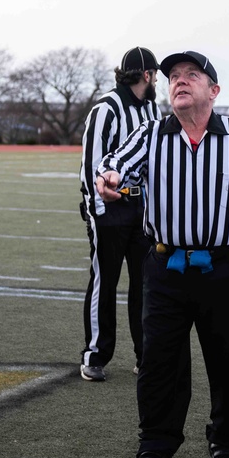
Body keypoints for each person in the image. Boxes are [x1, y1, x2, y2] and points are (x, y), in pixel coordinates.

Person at [94, 51, 229, 458]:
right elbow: (116, 168)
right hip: (165, 266)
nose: (179, 82)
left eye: (191, 75)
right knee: (159, 363)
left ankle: (227, 445)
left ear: (214, 90)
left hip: (226, 268)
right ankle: (155, 451)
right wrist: (109, 181)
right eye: (173, 77)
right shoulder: (150, 135)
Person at [78, 47, 161, 382]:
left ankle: (146, 355)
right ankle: (95, 354)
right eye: (156, 74)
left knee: (145, 284)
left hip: (141, 210)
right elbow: (90, 161)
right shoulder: (106, 108)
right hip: (110, 208)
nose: (157, 81)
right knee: (105, 281)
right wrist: (95, 208)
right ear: (147, 75)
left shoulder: (153, 109)